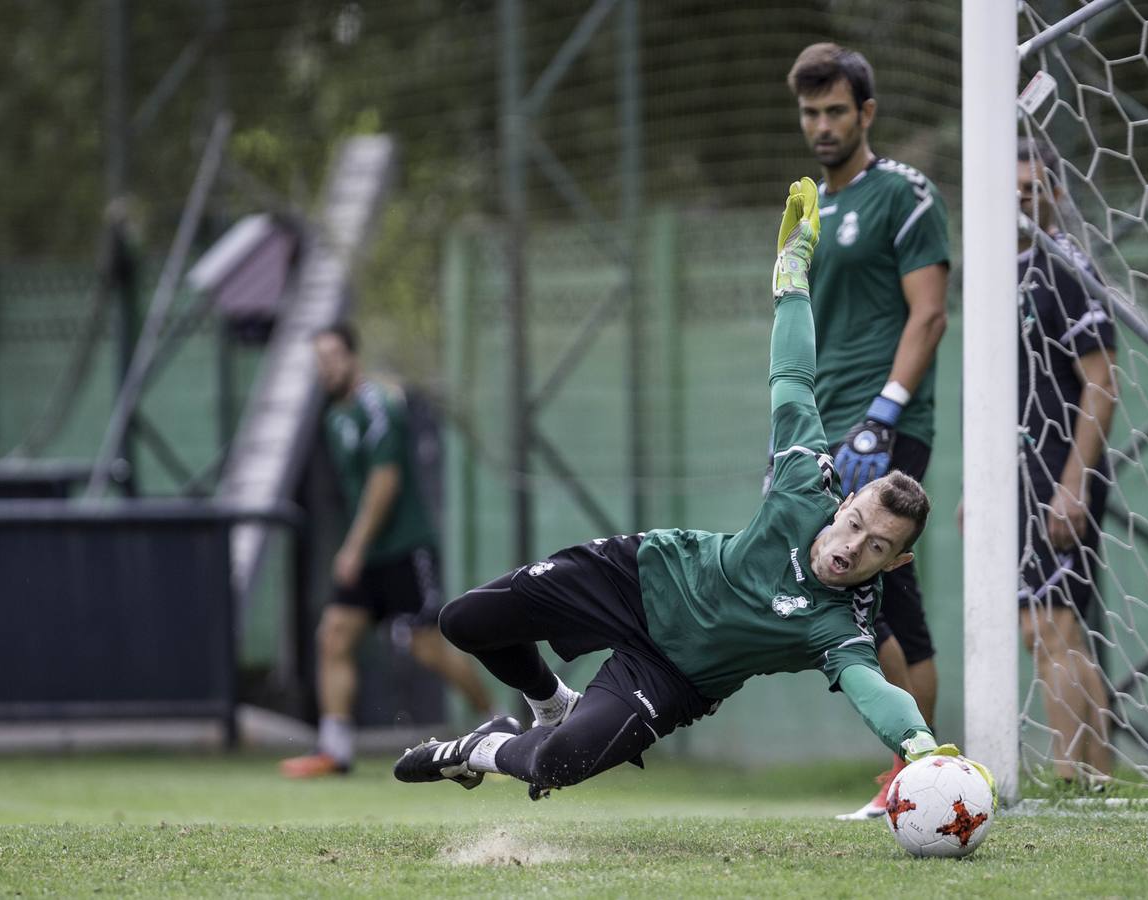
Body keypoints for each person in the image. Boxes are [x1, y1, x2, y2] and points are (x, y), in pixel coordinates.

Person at [392, 179, 984, 802]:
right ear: (844, 504)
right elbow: (792, 378)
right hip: (644, 574)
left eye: (877, 548)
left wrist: (919, 744)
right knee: (465, 621)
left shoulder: (841, 624)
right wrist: (791, 276)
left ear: (897, 563)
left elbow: (874, 691)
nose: (853, 546)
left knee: (558, 766)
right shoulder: (805, 481)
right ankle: (549, 706)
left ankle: (477, 749)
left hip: (673, 674)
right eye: (856, 522)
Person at [786, 43, 951, 818]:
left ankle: (914, 771)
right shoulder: (812, 208)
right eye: (811, 112)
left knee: (886, 595)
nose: (822, 126)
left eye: (835, 111)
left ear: (867, 113)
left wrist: (884, 411)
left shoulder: (905, 194)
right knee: (866, 599)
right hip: (827, 429)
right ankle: (917, 767)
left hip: (884, 428)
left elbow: (930, 313)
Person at [280, 323, 492, 778]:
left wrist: (353, 546)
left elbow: (385, 481)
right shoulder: (334, 418)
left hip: (402, 548)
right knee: (334, 635)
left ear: (353, 357)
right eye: (320, 361)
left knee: (428, 649)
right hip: (368, 554)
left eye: (333, 357)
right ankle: (335, 751)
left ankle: (498, 723)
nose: (326, 368)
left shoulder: (379, 404)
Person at [1014, 137, 1116, 786]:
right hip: (1024, 476)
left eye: (1032, 190)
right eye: (1011, 191)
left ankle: (1071, 775)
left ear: (1056, 195)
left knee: (1050, 625)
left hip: (1062, 474)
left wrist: (1073, 482)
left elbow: (1102, 383)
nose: (1021, 202)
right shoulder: (1011, 271)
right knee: (1049, 629)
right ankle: (1095, 779)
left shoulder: (1066, 269)